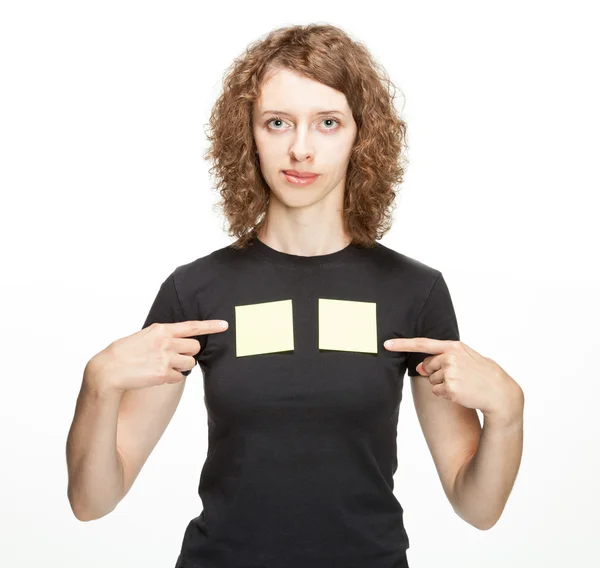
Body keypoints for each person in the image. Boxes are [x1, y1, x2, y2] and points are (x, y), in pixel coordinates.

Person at [66, 22, 524, 568]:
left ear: (361, 135)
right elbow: (92, 501)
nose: (300, 149)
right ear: (248, 134)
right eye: (278, 122)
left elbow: (478, 507)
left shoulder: (413, 291)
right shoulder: (195, 291)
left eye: (327, 123)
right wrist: (98, 384)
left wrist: (508, 412)